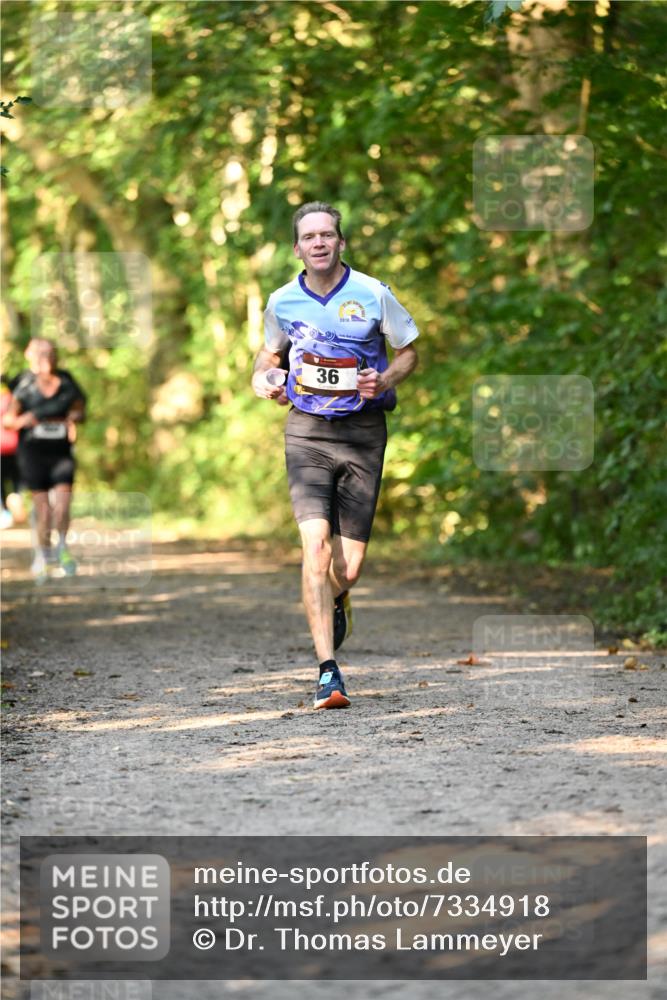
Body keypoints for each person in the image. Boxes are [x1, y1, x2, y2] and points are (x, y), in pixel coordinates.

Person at [252, 201, 419, 709]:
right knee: (315, 547)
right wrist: (264, 378)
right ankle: (328, 670)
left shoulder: (373, 293)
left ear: (341, 242)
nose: (319, 243)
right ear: (297, 248)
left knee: (348, 568)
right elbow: (268, 354)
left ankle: (339, 594)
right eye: (309, 237)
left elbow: (409, 351)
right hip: (306, 432)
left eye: (327, 234)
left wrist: (383, 380)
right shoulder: (282, 301)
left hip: (363, 433)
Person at [2, 339, 86, 582]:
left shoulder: (67, 381)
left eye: (49, 354)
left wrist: (73, 417)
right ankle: (43, 556)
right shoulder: (24, 383)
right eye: (40, 354)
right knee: (44, 512)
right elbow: (8, 420)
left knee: (63, 506)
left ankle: (62, 548)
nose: (46, 359)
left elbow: (80, 409)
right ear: (31, 357)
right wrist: (24, 420)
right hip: (33, 453)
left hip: (61, 453)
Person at [1, 375, 27, 528]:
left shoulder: (10, 401)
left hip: (6, 449)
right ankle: (14, 506)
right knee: (17, 482)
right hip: (17, 448)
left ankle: (6, 512)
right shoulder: (18, 401)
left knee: (3, 483)